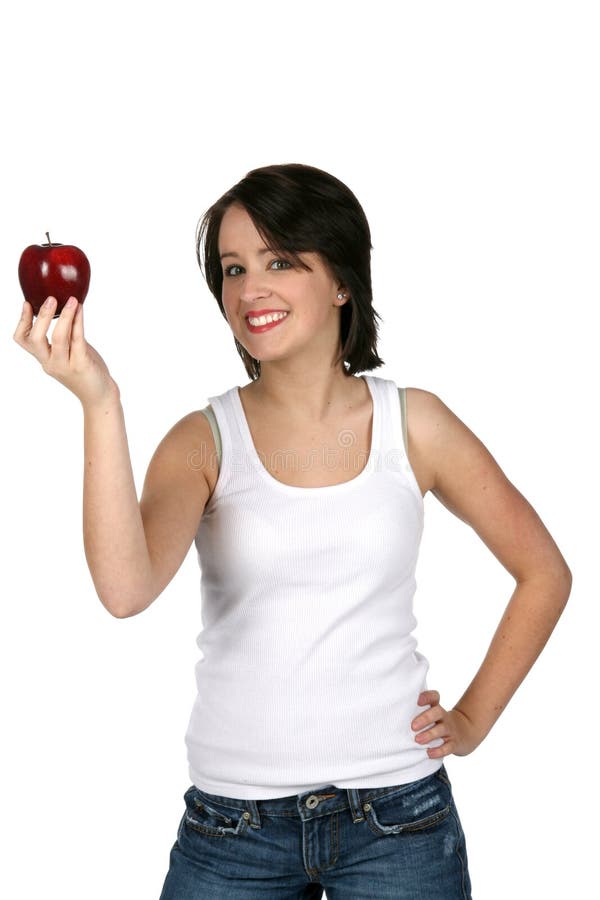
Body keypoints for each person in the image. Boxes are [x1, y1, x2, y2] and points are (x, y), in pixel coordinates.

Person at [13, 163, 571, 900]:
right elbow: (124, 589)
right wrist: (99, 400)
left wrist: (470, 720)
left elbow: (544, 572)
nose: (249, 290)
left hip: (400, 824)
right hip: (231, 832)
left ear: (341, 279)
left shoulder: (417, 424)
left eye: (280, 261)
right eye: (233, 268)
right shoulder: (202, 440)